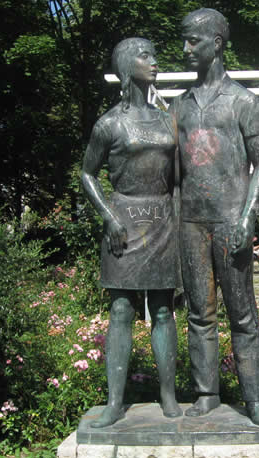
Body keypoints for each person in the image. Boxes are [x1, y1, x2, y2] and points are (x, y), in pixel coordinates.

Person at [171, 8, 259, 426]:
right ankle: (207, 393)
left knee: (243, 313)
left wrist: (248, 217)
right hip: (191, 224)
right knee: (199, 312)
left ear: (216, 43)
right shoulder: (177, 106)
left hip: (231, 220)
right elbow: (173, 170)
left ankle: (254, 399)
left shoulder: (244, 102)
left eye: (192, 41)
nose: (184, 49)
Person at [80, 38, 182, 428]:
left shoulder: (166, 119)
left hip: (161, 220)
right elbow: (87, 173)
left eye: (155, 54)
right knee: (121, 308)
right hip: (123, 219)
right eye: (145, 56)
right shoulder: (109, 123)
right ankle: (114, 402)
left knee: (162, 307)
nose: (154, 62)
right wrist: (107, 215)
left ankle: (168, 395)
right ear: (126, 65)